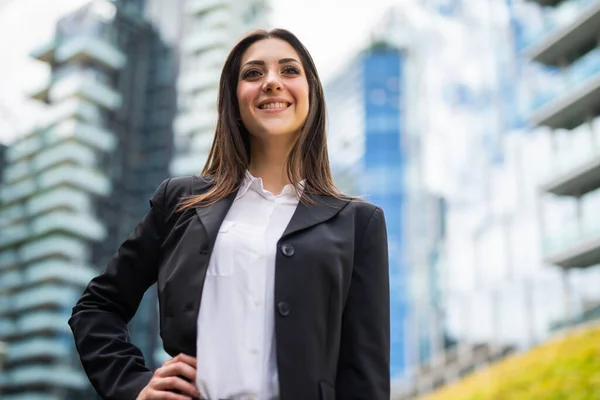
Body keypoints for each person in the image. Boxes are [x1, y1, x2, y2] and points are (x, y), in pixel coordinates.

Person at [69, 28, 390, 400]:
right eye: (253, 73)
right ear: (234, 100)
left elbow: (365, 376)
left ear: (312, 94)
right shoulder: (180, 202)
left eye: (289, 70)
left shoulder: (358, 222)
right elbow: (96, 308)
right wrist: (134, 386)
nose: (272, 82)